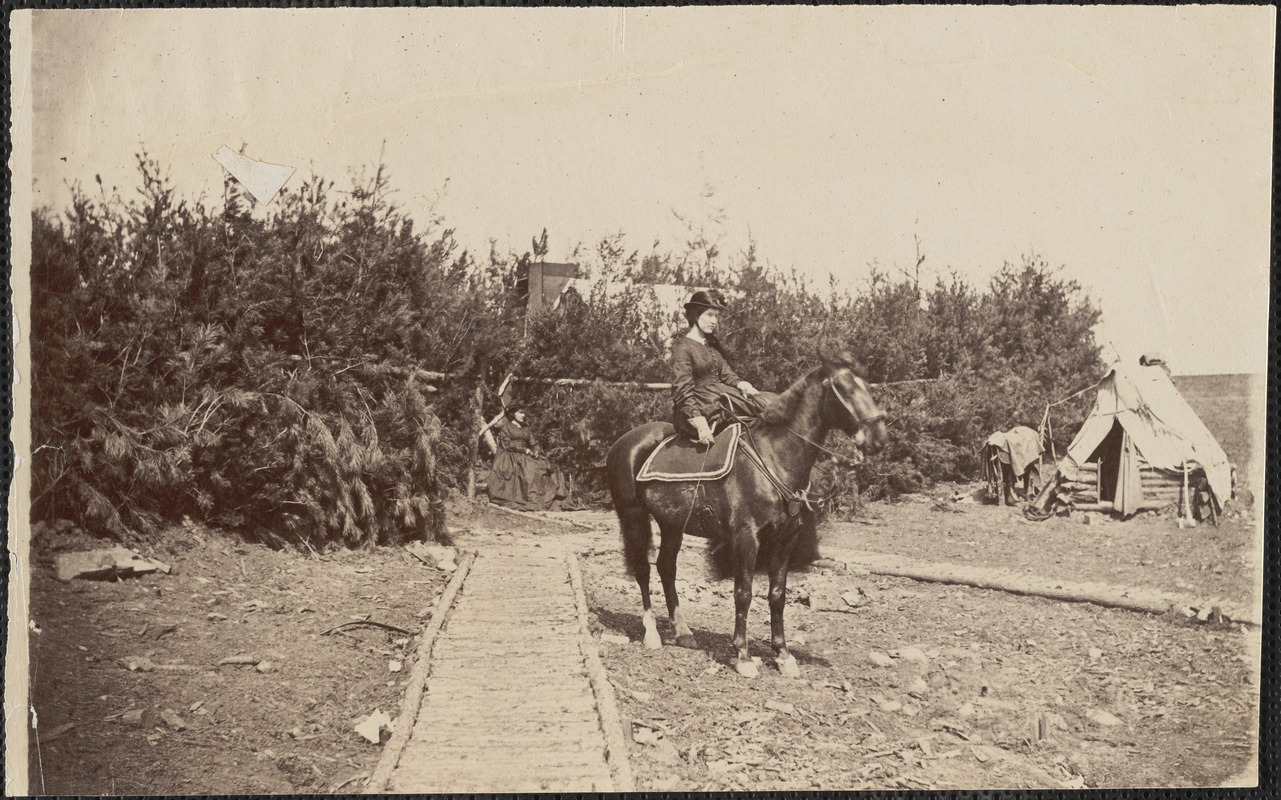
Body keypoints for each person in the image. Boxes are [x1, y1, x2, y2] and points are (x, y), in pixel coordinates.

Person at [670, 290, 768, 445]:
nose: (714, 321)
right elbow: (682, 392)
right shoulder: (684, 348)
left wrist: (740, 384)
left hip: (717, 398)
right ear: (695, 315)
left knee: (765, 403)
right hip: (698, 409)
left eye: (716, 316)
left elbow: (726, 373)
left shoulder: (712, 347)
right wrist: (700, 423)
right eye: (709, 315)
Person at [486, 406, 569, 512]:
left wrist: (536, 451)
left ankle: (546, 498)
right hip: (511, 454)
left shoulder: (526, 428)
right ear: (513, 414)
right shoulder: (506, 427)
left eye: (524, 413)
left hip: (527, 454)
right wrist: (523, 450)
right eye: (520, 413)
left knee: (547, 466)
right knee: (530, 469)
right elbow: (507, 444)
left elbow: (534, 443)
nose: (523, 415)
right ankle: (531, 498)